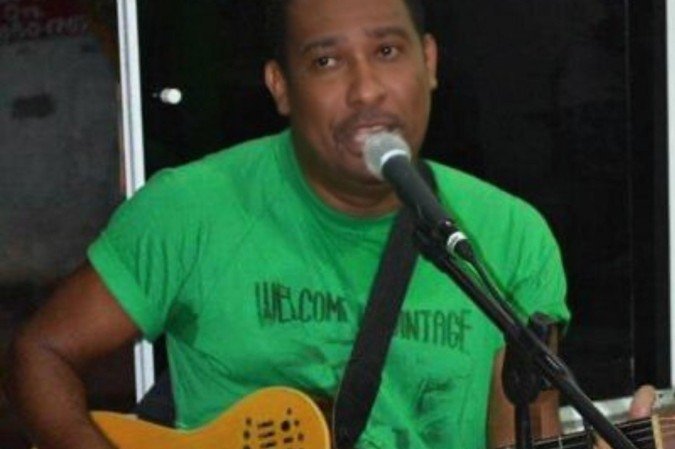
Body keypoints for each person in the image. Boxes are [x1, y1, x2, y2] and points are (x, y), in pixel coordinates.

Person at [3, 0, 655, 448]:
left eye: (388, 50)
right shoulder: (190, 209)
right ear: (280, 86)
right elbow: (42, 352)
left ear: (429, 63)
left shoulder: (510, 237)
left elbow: (526, 432)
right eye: (325, 61)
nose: (366, 89)